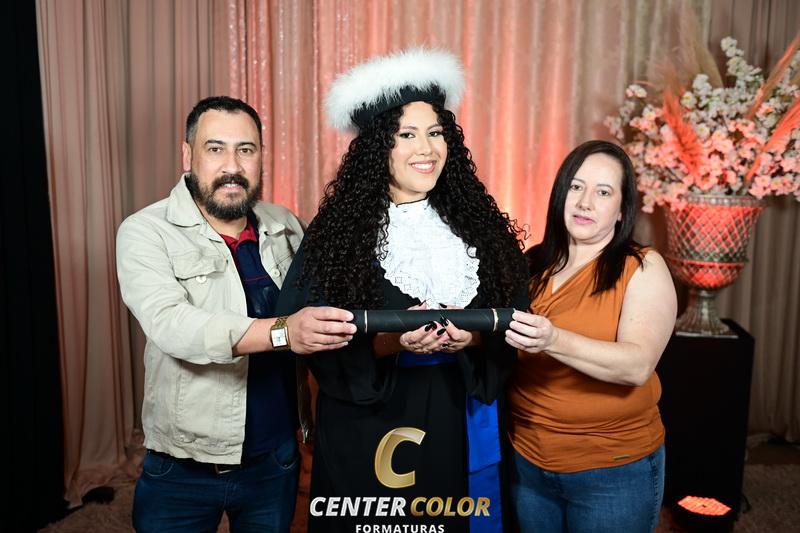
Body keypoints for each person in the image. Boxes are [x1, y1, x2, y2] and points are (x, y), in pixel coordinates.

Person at [275, 48, 529, 532]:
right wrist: (392, 342)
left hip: (455, 410)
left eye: (435, 133)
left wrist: (474, 337)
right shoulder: (338, 233)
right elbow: (309, 335)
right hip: (367, 422)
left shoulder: (480, 225)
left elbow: (515, 317)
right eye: (407, 135)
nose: (426, 149)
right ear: (378, 147)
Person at [116, 96, 357, 532]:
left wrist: (400, 328)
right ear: (188, 155)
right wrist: (284, 332)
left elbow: (331, 301)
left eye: (246, 149)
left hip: (275, 460)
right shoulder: (145, 231)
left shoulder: (285, 224)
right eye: (215, 149)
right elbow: (173, 326)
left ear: (261, 156)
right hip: (182, 468)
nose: (232, 165)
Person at [505, 140, 677, 532]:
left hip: (612, 470)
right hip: (528, 461)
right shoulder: (531, 264)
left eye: (603, 192)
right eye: (576, 187)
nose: (585, 202)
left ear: (622, 210)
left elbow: (637, 366)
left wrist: (553, 340)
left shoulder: (642, 267)